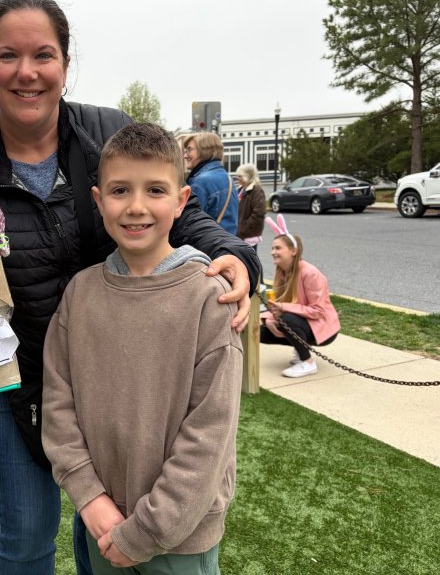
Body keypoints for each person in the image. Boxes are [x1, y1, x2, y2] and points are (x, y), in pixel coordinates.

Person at [0, 0, 260, 575]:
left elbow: (179, 213)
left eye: (43, 55)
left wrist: (236, 257)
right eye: (8, 56)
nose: (26, 72)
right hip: (17, 379)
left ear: (65, 64)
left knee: (105, 519)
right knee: (27, 531)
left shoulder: (108, 133)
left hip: (114, 374)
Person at [43, 122, 242, 574]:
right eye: (120, 191)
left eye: (155, 190)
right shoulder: (80, 294)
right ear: (98, 201)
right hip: (103, 522)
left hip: (181, 537)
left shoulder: (210, 299)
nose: (136, 207)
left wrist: (146, 532)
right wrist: (90, 499)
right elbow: (58, 402)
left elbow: (209, 435)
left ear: (181, 200)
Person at [260, 215, 340, 378]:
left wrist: (283, 308)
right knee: (260, 330)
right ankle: (299, 348)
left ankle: (307, 363)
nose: (272, 252)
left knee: (287, 319)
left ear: (293, 251)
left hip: (323, 329)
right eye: (272, 248)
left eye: (278, 248)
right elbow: (280, 303)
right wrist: (268, 318)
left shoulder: (310, 273)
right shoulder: (282, 272)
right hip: (301, 321)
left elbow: (318, 311)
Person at [182, 132, 239, 235]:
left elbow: (189, 225)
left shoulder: (200, 182)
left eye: (189, 150)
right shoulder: (226, 177)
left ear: (204, 150)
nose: (185, 156)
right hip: (226, 243)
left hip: (206, 247)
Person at [235, 163, 266, 251]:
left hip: (249, 236)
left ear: (248, 176)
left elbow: (259, 213)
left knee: (249, 261)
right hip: (240, 235)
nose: (237, 179)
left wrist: (244, 228)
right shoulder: (241, 189)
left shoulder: (257, 191)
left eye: (240, 176)